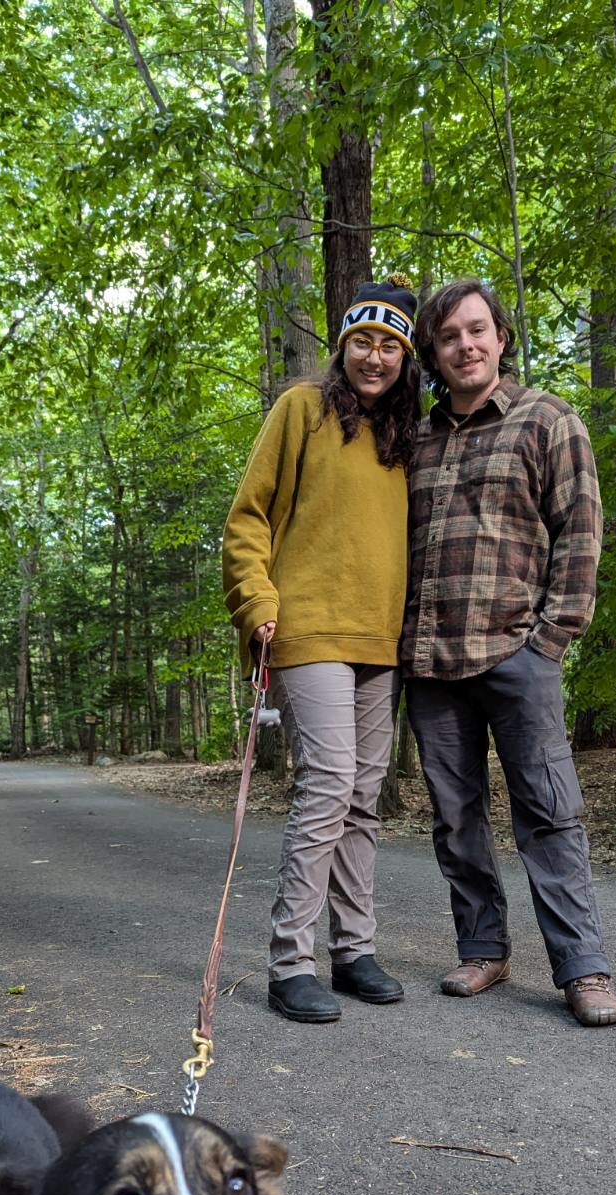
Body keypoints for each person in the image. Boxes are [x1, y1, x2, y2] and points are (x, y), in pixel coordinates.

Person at [401, 278, 616, 1026]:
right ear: (433, 353)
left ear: (501, 337)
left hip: (516, 656)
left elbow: (581, 536)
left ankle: (583, 969)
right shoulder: (415, 439)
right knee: (455, 818)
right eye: (448, 336)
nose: (465, 345)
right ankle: (484, 948)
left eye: (477, 330)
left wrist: (549, 641)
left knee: (549, 813)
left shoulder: (548, 420)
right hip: (431, 663)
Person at [223, 275, 422, 1024]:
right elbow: (247, 518)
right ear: (343, 345)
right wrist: (258, 605)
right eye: (364, 340)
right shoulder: (300, 410)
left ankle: (355, 950)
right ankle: (289, 960)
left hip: (380, 636)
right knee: (329, 782)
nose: (376, 356)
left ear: (406, 356)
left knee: (365, 797)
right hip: (307, 628)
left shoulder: (405, 436)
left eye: (391, 345)